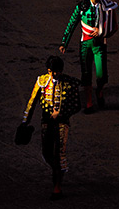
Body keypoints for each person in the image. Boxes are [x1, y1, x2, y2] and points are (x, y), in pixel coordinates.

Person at [21, 55, 81, 199]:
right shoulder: (41, 81)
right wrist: (25, 121)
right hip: (46, 122)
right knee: (47, 153)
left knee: (59, 153)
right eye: (53, 71)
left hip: (62, 123)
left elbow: (76, 106)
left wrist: (61, 113)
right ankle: (58, 171)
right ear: (49, 70)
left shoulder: (70, 83)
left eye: (58, 71)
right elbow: (32, 102)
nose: (56, 74)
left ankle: (57, 186)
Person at [59, 0, 118, 112]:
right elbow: (71, 24)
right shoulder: (81, 7)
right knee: (86, 75)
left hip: (99, 45)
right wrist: (64, 42)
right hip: (85, 45)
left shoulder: (105, 6)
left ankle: (100, 91)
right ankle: (89, 103)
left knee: (101, 75)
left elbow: (113, 26)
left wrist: (102, 31)